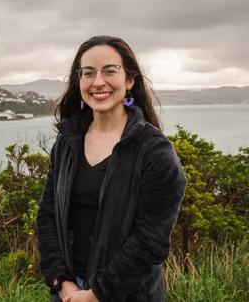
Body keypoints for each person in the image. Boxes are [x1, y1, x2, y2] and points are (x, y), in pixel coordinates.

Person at [37, 35, 186, 302]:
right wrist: (61, 281)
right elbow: (48, 215)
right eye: (88, 73)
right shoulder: (67, 142)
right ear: (79, 82)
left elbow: (150, 241)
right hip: (67, 293)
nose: (98, 82)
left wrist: (96, 294)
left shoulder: (154, 151)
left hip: (127, 295)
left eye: (110, 71)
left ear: (129, 81)